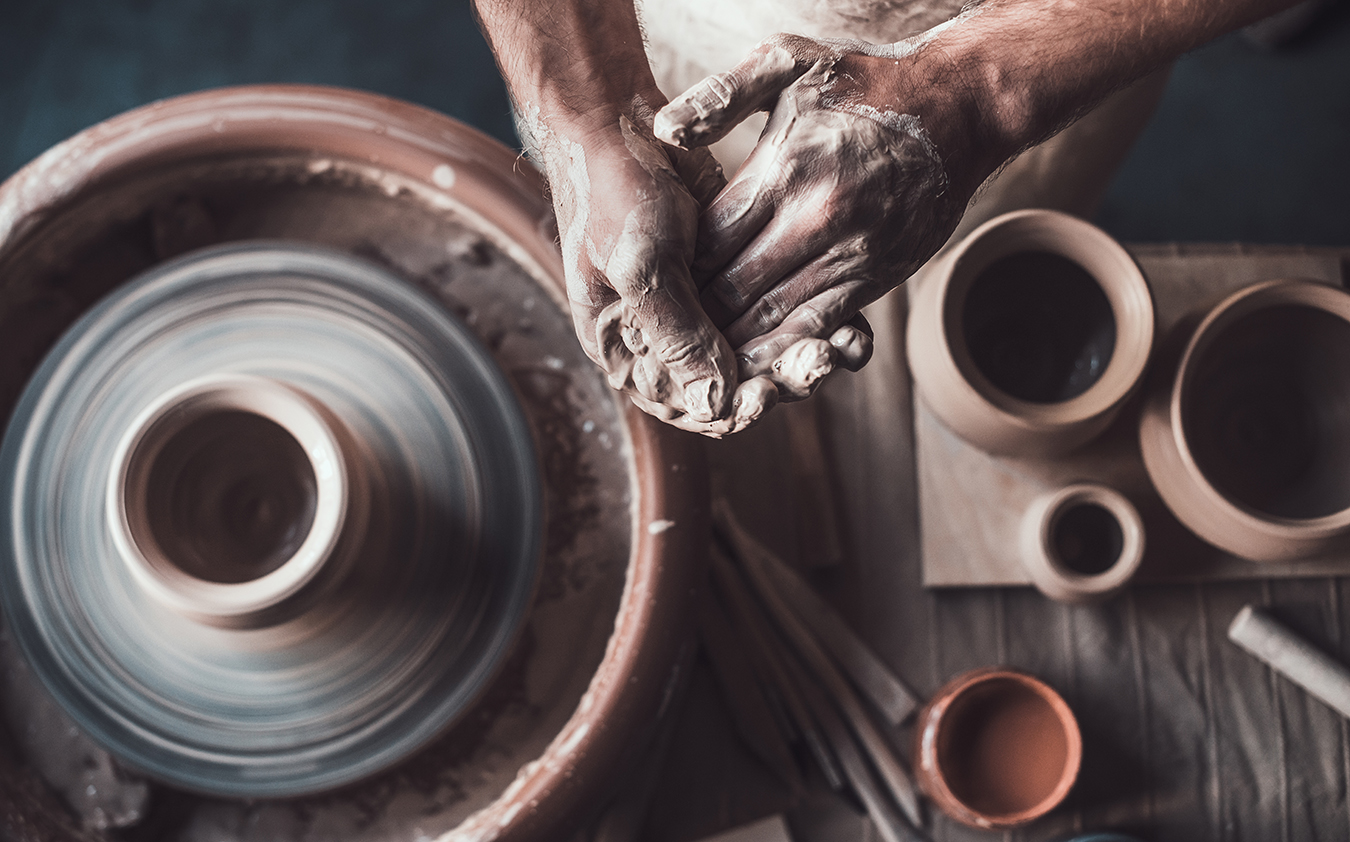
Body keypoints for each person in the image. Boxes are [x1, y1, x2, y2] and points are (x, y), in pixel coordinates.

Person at [472, 0, 1298, 437]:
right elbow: (587, 109)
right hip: (671, 17)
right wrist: (588, 113)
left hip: (1044, 35)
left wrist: (975, 97)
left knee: (968, 272)